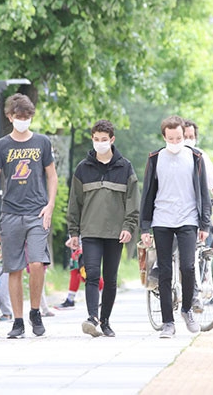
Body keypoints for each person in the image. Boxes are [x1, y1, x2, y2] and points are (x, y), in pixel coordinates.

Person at [0, 93, 58, 339]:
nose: (23, 120)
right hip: (10, 213)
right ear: (10, 117)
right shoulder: (1, 146)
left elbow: (52, 176)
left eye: (27, 116)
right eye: (18, 116)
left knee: (37, 263)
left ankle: (35, 311)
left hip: (37, 211)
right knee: (14, 268)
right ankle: (17, 321)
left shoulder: (42, 142)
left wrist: (50, 205)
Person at [140, 115, 211, 338]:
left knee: (188, 267)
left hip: (188, 219)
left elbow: (204, 192)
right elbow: (147, 194)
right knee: (164, 271)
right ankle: (167, 322)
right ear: (164, 137)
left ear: (183, 134)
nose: (175, 142)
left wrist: (205, 224)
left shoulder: (195, 157)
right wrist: (145, 227)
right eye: (170, 138)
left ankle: (187, 310)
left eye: (179, 138)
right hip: (162, 219)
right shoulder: (155, 158)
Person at [67, 119, 140, 337]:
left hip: (116, 233)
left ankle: (105, 321)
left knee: (110, 279)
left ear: (112, 139)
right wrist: (73, 232)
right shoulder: (83, 168)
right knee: (91, 274)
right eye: (96, 139)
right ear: (92, 139)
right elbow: (74, 202)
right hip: (90, 231)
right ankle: (92, 318)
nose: (100, 143)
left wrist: (129, 226)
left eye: (104, 139)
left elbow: (133, 201)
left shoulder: (125, 167)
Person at [183, 120, 213, 209]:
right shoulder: (168, 156)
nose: (188, 140)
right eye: (185, 137)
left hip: (195, 210)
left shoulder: (200, 156)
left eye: (191, 137)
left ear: (195, 138)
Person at [55, 238, 104, 310]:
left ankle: (106, 295)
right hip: (77, 249)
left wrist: (82, 246)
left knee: (87, 274)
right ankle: (70, 300)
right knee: (74, 273)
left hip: (86, 246)